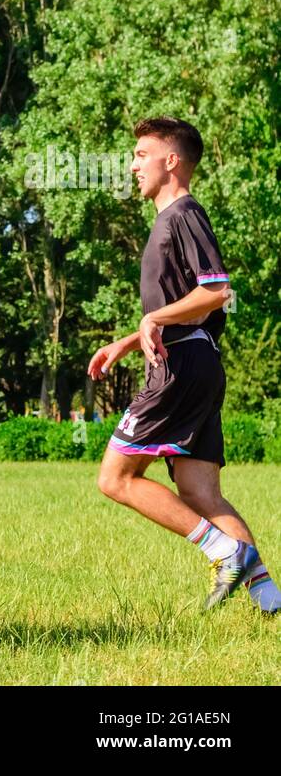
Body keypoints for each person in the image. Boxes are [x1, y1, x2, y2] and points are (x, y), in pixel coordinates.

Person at [89, 117, 277, 612]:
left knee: (115, 478)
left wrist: (154, 317)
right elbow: (187, 304)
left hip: (181, 366)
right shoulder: (167, 220)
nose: (132, 165)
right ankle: (271, 601)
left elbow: (216, 291)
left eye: (140, 154)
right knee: (200, 490)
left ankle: (224, 551)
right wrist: (131, 340)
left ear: (171, 161)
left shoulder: (182, 214)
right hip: (198, 360)